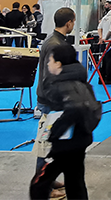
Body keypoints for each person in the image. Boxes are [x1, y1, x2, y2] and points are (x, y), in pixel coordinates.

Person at [29, 43, 100, 200]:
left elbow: (75, 108)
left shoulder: (63, 84)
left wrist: (55, 131)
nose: (48, 64)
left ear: (58, 63)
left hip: (65, 144)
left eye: (51, 60)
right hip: (80, 141)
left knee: (39, 184)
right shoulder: (81, 82)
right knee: (75, 183)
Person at [33, 7, 75, 193]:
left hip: (50, 99)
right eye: (73, 22)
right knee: (46, 145)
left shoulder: (53, 40)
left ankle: (50, 180)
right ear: (69, 23)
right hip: (51, 102)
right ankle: (44, 186)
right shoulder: (56, 45)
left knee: (54, 144)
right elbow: (50, 77)